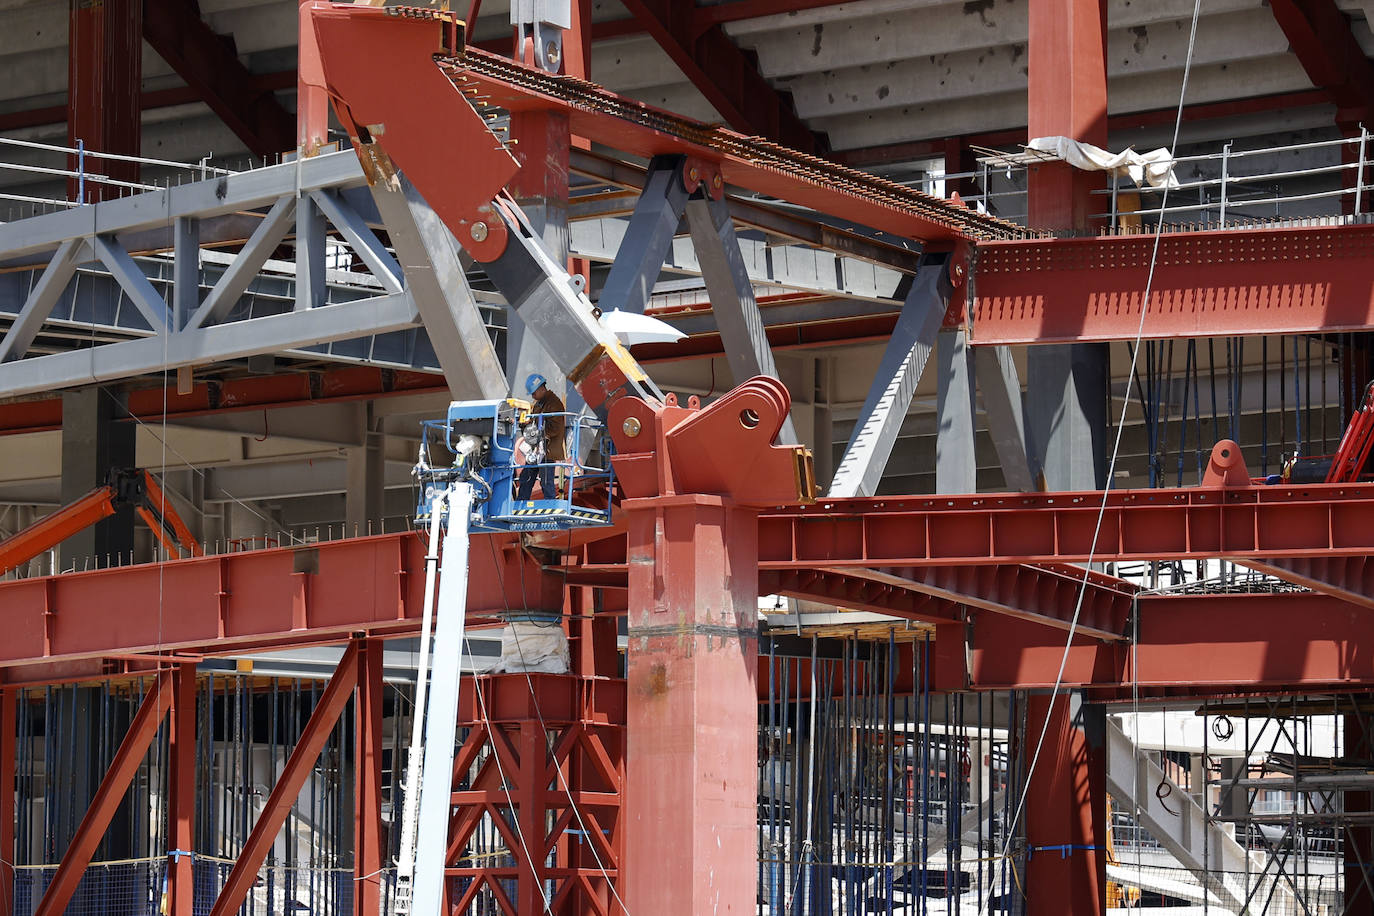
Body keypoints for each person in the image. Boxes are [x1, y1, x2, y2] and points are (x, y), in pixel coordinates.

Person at [515, 373, 566, 500]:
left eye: (534, 393)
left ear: (541, 389)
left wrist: (539, 435)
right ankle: (520, 506)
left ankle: (550, 508)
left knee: (546, 482)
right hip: (536, 450)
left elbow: (555, 428)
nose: (533, 396)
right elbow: (533, 423)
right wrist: (524, 424)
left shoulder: (554, 404)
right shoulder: (538, 404)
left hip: (547, 451)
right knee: (525, 478)